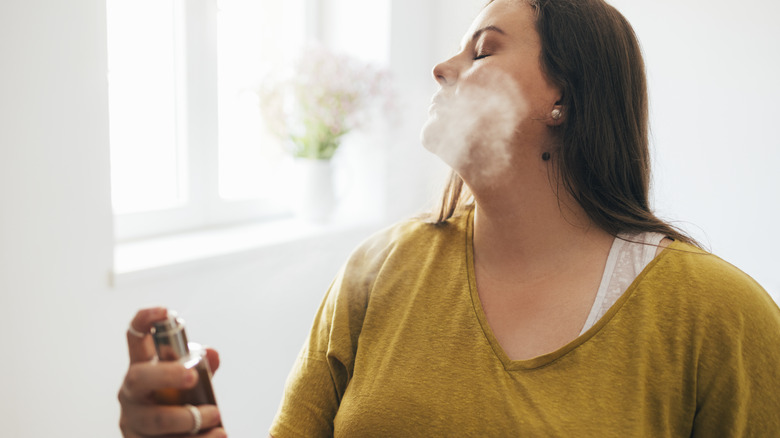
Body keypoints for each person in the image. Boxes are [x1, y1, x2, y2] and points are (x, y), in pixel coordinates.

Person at [118, 0, 780, 436]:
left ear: (565, 99)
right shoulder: (379, 272)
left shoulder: (719, 317)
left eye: (483, 50)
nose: (441, 68)